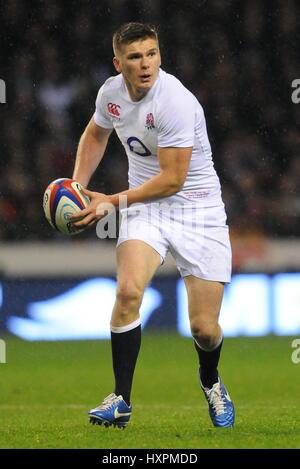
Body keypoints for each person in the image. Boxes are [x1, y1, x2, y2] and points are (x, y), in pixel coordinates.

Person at [71, 22, 235, 429]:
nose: (145, 65)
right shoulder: (110, 94)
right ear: (118, 63)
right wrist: (78, 187)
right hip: (148, 210)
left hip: (198, 211)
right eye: (135, 57)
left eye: (151, 54)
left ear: (159, 55)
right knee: (127, 291)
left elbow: (173, 179)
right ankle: (121, 399)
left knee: (205, 328)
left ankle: (211, 380)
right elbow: (95, 134)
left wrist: (112, 201)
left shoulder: (175, 101)